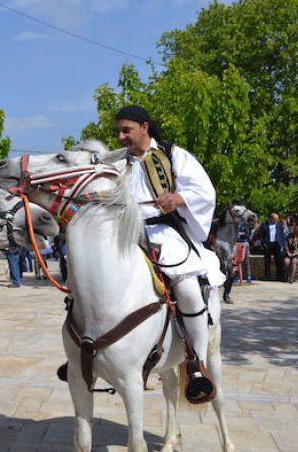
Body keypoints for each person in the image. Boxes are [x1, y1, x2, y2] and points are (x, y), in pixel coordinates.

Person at [109, 105, 225, 403]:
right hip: (125, 235)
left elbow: (206, 192)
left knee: (186, 285)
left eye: (127, 130)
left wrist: (178, 198)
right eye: (118, 131)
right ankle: (89, 352)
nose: (121, 136)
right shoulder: (114, 163)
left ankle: (196, 363)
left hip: (164, 233)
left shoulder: (174, 155)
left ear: (144, 127)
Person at [260, 212, 286, 281]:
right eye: (275, 219)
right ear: (271, 218)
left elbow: (282, 235)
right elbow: (262, 235)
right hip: (268, 244)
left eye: (277, 219)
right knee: (267, 261)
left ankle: (279, 277)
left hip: (277, 243)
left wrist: (282, 244)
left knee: (278, 261)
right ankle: (267, 277)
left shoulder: (279, 224)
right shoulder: (264, 224)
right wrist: (263, 244)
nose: (276, 221)